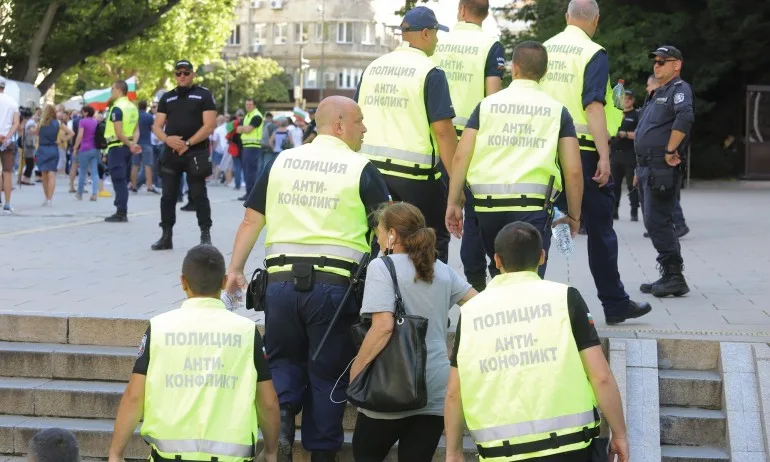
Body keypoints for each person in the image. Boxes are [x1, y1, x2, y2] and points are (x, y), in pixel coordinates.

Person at [225, 96, 390, 462]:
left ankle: (282, 428)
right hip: (334, 289)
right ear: (340, 125)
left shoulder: (281, 161)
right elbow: (388, 229)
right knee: (328, 373)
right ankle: (322, 454)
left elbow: (251, 220)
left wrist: (235, 270)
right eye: (360, 121)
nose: (365, 128)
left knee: (283, 363)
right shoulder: (360, 167)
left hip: (280, 285)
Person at [444, 221, 629, 462]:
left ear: (497, 260)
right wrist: (619, 433)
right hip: (571, 447)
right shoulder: (565, 298)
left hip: (501, 453)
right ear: (542, 257)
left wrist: (454, 451)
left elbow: (454, 393)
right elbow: (601, 376)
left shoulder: (471, 311)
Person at [108, 245, 280, 462]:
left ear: (183, 282)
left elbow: (134, 396)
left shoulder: (160, 327)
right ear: (223, 282)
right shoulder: (246, 331)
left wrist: (116, 453)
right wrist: (271, 451)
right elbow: (268, 402)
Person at [540, 0, 651, 325]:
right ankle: (615, 304)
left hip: (545, 149)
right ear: (596, 20)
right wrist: (604, 155)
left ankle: (526, 303)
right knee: (601, 230)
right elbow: (593, 105)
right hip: (583, 150)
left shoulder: (544, 48)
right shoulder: (593, 53)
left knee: (539, 226)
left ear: (566, 17)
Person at [350, 202, 477, 462]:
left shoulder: (382, 267)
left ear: (392, 234)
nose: (378, 238)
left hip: (391, 385)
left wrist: (357, 370)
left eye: (379, 232)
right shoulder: (441, 269)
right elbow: (479, 305)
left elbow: (383, 326)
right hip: (435, 387)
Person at [446, 41, 584, 280]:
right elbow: (573, 170)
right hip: (533, 209)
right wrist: (574, 216)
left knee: (500, 270)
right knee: (528, 277)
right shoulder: (557, 111)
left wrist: (453, 202)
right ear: (545, 72)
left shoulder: (486, 106)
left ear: (514, 67)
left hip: (488, 207)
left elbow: (460, 156)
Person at [355, 6, 457, 263]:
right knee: (431, 237)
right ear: (425, 33)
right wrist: (457, 182)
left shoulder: (373, 68)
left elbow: (355, 116)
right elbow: (443, 132)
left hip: (371, 172)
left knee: (377, 237)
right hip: (416, 178)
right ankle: (427, 286)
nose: (437, 40)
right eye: (436, 33)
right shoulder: (430, 71)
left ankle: (375, 284)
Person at [431, 0, 506, 291]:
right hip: (472, 138)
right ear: (485, 14)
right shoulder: (490, 45)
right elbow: (492, 97)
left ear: (461, 10)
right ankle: (482, 281)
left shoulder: (439, 43)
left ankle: (443, 285)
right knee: (474, 214)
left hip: (437, 136)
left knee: (438, 219)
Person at [635, 46, 694, 298]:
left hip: (660, 165)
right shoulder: (658, 92)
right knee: (653, 220)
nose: (656, 65)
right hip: (646, 166)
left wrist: (670, 149)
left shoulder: (679, 89)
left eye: (662, 61)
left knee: (658, 220)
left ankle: (674, 276)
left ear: (676, 64)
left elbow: (685, 117)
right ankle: (669, 274)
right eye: (655, 62)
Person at [151, 60, 217, 250]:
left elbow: (209, 125)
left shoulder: (203, 95)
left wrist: (188, 143)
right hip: (172, 153)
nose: (182, 76)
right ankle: (166, 236)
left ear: (193, 74)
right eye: (178, 73)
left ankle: (205, 235)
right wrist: (167, 139)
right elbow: (157, 126)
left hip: (195, 152)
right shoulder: (167, 97)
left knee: (199, 195)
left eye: (186, 73)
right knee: (167, 196)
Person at [639, 75, 689, 239]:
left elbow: (681, 125)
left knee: (664, 192)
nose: (646, 88)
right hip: (650, 158)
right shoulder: (651, 103)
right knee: (657, 194)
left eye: (648, 85)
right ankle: (658, 226)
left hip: (663, 156)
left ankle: (679, 225)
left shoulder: (668, 101)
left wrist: (671, 150)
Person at [103, 80, 141, 222]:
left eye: (112, 88)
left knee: (118, 179)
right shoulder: (132, 107)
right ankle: (121, 209)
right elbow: (137, 130)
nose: (111, 91)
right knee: (122, 179)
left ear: (119, 90)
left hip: (117, 147)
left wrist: (130, 144)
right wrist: (133, 144)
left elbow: (118, 133)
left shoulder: (117, 108)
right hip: (127, 148)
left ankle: (121, 212)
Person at [611, 90, 639, 221]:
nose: (626, 101)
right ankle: (614, 211)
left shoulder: (636, 115)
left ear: (633, 100)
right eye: (624, 99)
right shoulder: (616, 113)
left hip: (630, 154)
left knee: (631, 184)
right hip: (615, 154)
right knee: (614, 185)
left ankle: (634, 211)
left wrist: (625, 134)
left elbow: (640, 134)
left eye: (628, 99)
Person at [35, 105, 64, 207]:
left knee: (44, 176)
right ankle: (50, 200)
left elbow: (35, 133)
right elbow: (71, 133)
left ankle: (46, 197)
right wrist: (61, 140)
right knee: (52, 175)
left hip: (42, 150)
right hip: (53, 149)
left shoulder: (40, 123)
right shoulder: (58, 123)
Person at [237, 98, 264, 201]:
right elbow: (239, 130)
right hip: (247, 146)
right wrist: (243, 129)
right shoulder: (248, 116)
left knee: (251, 172)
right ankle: (248, 193)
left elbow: (248, 130)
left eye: (250, 104)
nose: (248, 106)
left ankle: (251, 195)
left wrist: (242, 129)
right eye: (247, 104)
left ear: (254, 105)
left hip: (253, 147)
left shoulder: (257, 116)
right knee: (247, 171)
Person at [0, 76, 20, 213]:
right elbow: (16, 123)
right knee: (7, 173)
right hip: (7, 141)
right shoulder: (12, 102)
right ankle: (7, 204)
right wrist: (7, 137)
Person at [72, 106, 100, 201]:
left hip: (84, 149)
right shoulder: (96, 122)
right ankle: (94, 194)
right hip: (95, 148)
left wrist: (75, 147)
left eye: (83, 111)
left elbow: (80, 135)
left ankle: (79, 194)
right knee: (94, 172)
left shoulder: (82, 122)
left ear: (86, 112)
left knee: (82, 172)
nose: (81, 113)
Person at [131, 101, 158, 194]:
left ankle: (134, 186)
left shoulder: (134, 116)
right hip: (147, 143)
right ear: (146, 107)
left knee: (135, 165)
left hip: (136, 143)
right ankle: (149, 186)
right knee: (148, 165)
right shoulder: (149, 117)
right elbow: (153, 129)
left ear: (138, 107)